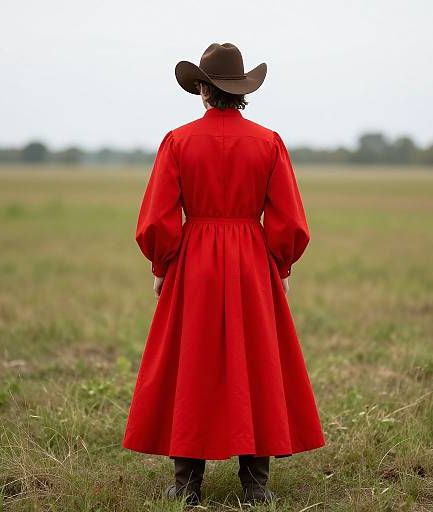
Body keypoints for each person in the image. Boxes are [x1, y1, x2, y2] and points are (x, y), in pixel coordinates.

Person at [122, 42, 325, 506]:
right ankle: (255, 486)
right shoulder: (269, 141)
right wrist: (282, 263)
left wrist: (161, 264)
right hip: (253, 261)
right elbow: (290, 221)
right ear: (241, 92)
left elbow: (156, 219)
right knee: (254, 361)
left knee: (190, 362)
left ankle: (187, 485)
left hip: (194, 261)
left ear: (202, 91)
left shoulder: (178, 140)